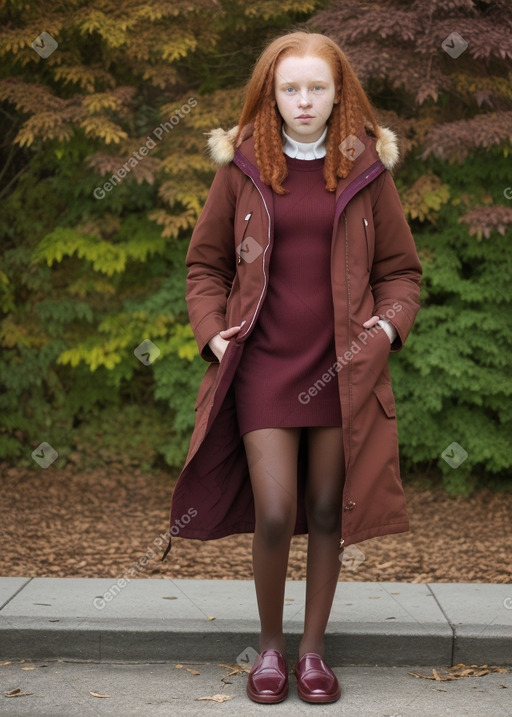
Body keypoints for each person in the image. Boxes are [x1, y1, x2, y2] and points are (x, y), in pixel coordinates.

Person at [162, 30, 422, 705]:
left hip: (343, 371)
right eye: (290, 88)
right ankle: (269, 650)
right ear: (270, 94)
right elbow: (204, 266)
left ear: (340, 94)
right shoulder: (242, 168)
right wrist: (216, 335)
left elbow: (402, 274)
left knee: (328, 510)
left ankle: (313, 654)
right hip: (264, 369)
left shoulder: (367, 169)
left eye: (317, 88)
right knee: (275, 509)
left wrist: (386, 327)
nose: (303, 100)